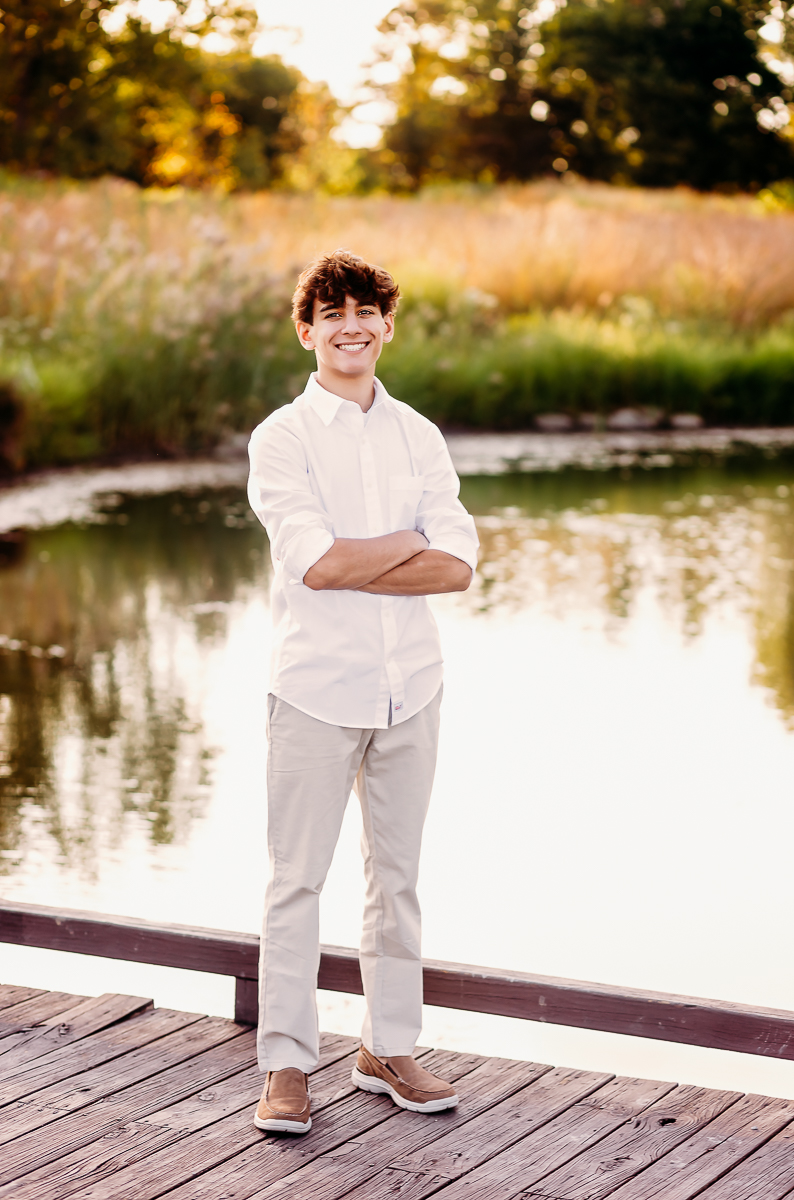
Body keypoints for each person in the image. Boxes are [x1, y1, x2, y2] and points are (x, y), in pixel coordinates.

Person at [247, 249, 479, 1135]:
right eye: (332, 312)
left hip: (411, 689)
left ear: (388, 325)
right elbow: (314, 564)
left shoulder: (418, 435)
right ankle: (286, 1065)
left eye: (366, 311)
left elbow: (456, 568)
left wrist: (355, 556)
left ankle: (387, 1047)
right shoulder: (283, 438)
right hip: (313, 690)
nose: (351, 326)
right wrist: (397, 542)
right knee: (295, 883)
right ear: (307, 330)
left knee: (399, 880)